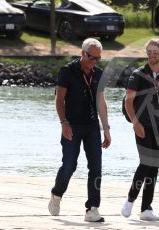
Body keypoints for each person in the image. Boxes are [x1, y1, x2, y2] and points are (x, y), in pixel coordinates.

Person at [48, 38, 111, 222]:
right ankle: (57, 194)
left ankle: (92, 209)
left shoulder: (98, 74)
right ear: (82, 53)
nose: (94, 62)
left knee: (96, 167)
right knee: (70, 165)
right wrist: (64, 123)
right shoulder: (67, 71)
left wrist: (106, 129)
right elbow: (59, 100)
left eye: (98, 59)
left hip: (92, 126)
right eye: (91, 57)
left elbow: (101, 101)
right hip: (71, 125)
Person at [121, 38, 159, 221]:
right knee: (146, 162)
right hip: (143, 126)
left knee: (154, 167)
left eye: (155, 52)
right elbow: (128, 101)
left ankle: (146, 208)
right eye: (149, 52)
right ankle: (130, 200)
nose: (152, 55)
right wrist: (135, 123)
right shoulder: (138, 75)